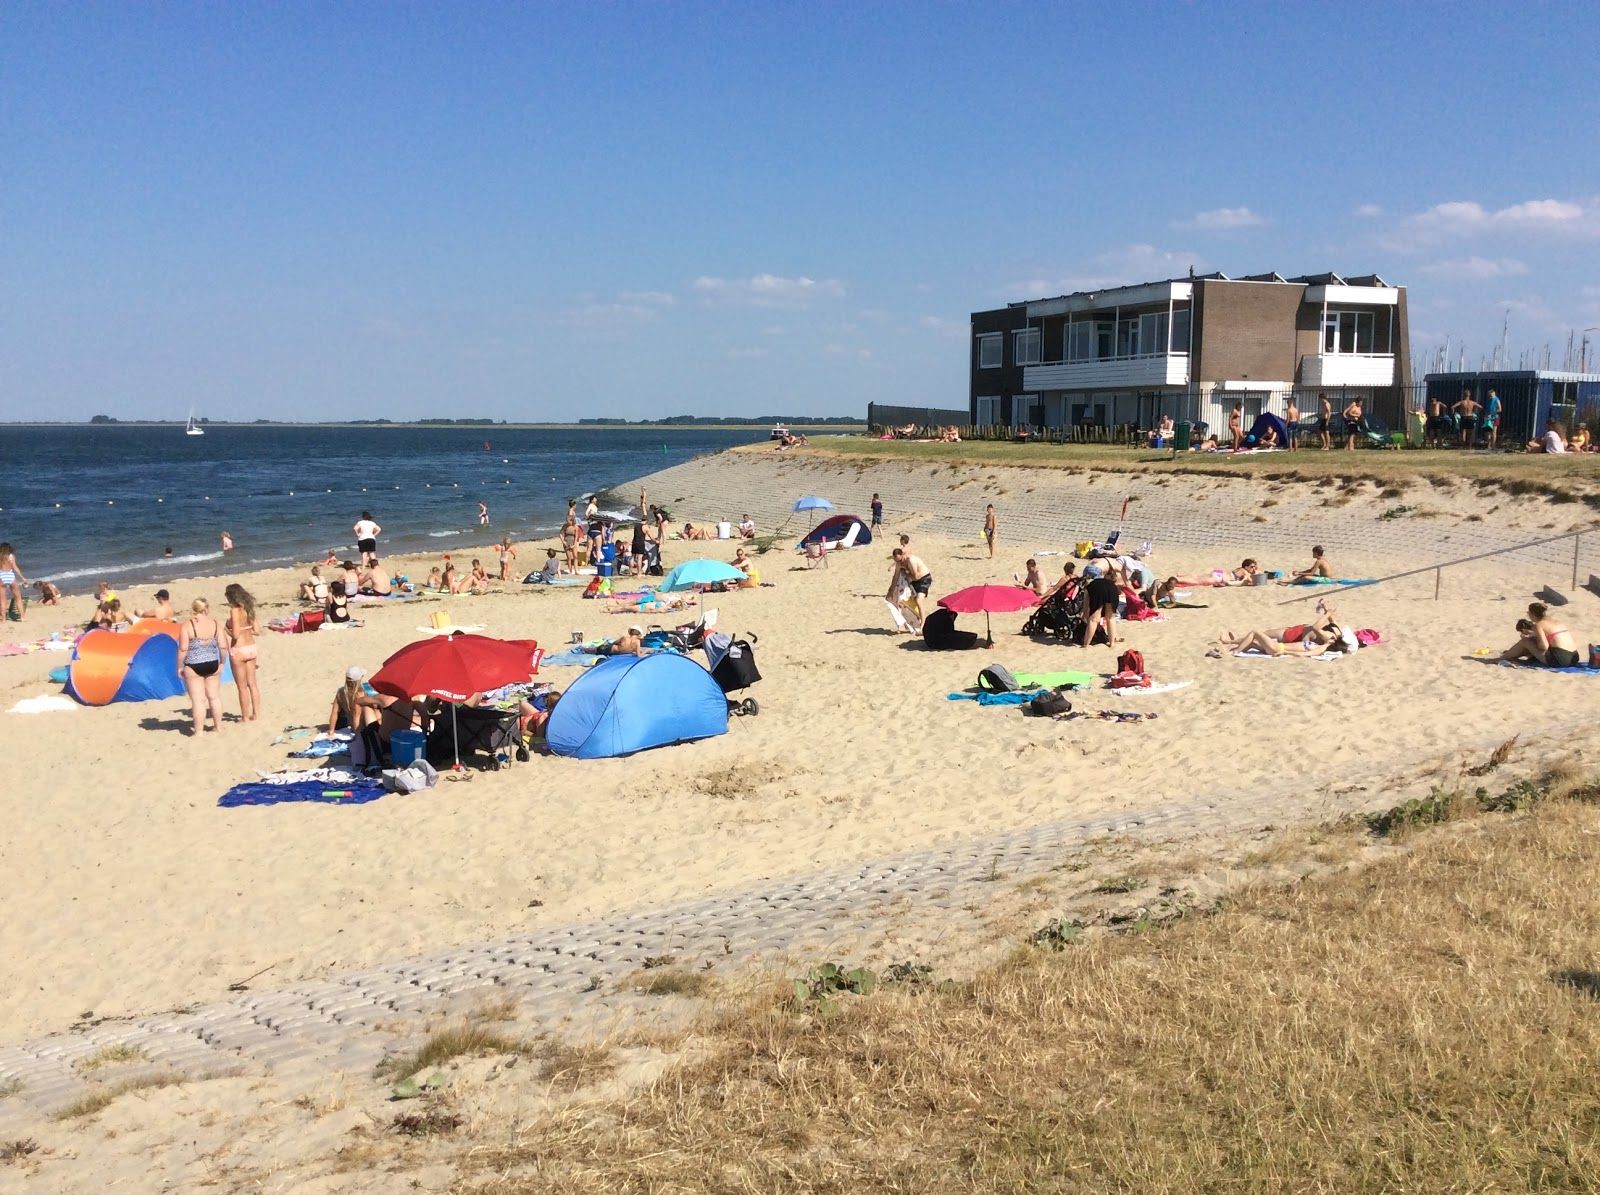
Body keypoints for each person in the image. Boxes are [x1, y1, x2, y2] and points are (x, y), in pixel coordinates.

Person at [176, 597, 227, 735]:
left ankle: (199, 732)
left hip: (194, 664)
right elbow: (223, 646)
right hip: (212, 663)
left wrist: (179, 666)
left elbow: (183, 649)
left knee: (198, 700)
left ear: (194, 609)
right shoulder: (215, 624)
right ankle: (218, 727)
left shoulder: (187, 625)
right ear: (206, 609)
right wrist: (222, 662)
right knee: (214, 697)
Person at [1502, 602, 1581, 667]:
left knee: (1525, 641)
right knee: (1530, 642)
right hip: (1574, 657)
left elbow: (1544, 646)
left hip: (1561, 660)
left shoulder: (1539, 625)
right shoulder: (1557, 622)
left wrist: (1533, 642)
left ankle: (1503, 658)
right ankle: (1510, 654)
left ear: (1532, 614)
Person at [223, 583, 260, 722]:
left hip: (239, 649)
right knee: (253, 684)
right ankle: (256, 714)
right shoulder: (249, 608)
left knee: (242, 687)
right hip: (251, 647)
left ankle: (245, 717)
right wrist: (246, 628)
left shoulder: (234, 611)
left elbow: (236, 635)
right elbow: (257, 630)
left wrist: (226, 629)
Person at [1083, 558, 1121, 649]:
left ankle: (1086, 644)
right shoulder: (1112, 584)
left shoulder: (1090, 585)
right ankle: (1112, 643)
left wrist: (1085, 615)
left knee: (1094, 620)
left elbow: (1086, 605)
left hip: (1098, 590)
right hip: (1112, 590)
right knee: (1110, 619)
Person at [0, 542, 29, 621]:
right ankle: (22, 617)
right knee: (18, 598)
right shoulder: (11, 556)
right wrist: (23, 578)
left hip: (1, 577)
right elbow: (15, 568)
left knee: (2, 600)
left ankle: (3, 619)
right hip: (11, 576)